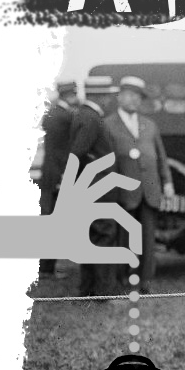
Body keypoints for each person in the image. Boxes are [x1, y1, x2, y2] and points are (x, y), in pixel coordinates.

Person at [105, 76, 175, 293]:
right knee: (124, 237)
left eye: (138, 96)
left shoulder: (149, 125)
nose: (134, 100)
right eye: (130, 95)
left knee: (147, 237)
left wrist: (168, 183)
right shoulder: (108, 124)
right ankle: (124, 279)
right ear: (119, 97)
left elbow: (161, 157)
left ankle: (145, 281)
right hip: (123, 192)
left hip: (149, 189)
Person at [69, 85, 119, 297]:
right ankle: (103, 292)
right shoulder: (91, 118)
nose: (110, 100)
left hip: (91, 188)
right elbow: (78, 152)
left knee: (92, 236)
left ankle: (89, 290)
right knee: (104, 236)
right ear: (100, 96)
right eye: (107, 95)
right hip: (98, 189)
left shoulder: (85, 115)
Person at [39, 80, 78, 278]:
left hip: (50, 173)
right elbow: (63, 151)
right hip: (58, 174)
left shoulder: (53, 114)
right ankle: (46, 269)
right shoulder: (64, 117)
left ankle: (46, 267)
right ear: (70, 95)